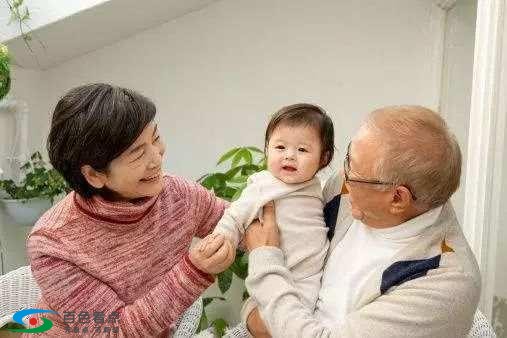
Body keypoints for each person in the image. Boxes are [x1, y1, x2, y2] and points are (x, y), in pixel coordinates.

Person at [244, 105, 481, 337]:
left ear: (397, 198)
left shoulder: (444, 285)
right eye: (349, 157)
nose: (343, 174)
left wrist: (264, 260)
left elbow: (268, 266)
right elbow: (282, 276)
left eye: (353, 170)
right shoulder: (346, 191)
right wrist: (256, 317)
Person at [23, 83, 235, 337]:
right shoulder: (52, 243)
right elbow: (114, 331)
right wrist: (194, 271)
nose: (157, 159)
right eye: (137, 154)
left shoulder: (177, 195)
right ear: (93, 175)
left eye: (155, 138)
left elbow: (239, 221)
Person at [207, 103, 334, 326]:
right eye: (280, 147)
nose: (289, 156)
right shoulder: (263, 185)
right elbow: (235, 216)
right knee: (281, 322)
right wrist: (222, 239)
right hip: (279, 273)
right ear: (267, 149)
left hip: (310, 277)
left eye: (302, 150)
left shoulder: (320, 188)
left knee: (299, 322)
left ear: (324, 158)